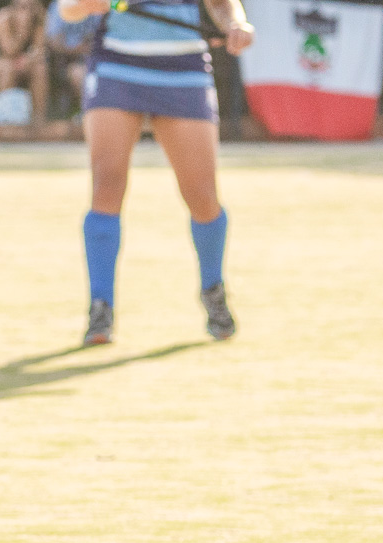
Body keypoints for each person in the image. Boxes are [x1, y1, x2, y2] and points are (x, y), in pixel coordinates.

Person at [58, 0, 253, 344]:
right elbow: (67, 10)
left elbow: (222, 5)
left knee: (202, 197)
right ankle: (100, 309)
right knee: (107, 187)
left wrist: (236, 23)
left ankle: (213, 289)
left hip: (184, 70)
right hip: (115, 66)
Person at [0, 0, 48, 124]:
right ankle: (2, 116)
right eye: (23, 7)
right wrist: (22, 30)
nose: (27, 12)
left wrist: (28, 59)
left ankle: (38, 119)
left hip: (25, 60)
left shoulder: (39, 19)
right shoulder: (3, 17)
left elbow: (39, 49)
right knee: (8, 68)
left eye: (31, 7)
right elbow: (8, 51)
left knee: (40, 68)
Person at [45, 0, 95, 114]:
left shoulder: (98, 5)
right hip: (68, 62)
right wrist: (77, 49)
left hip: (96, 60)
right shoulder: (59, 6)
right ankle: (87, 115)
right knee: (78, 74)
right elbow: (53, 42)